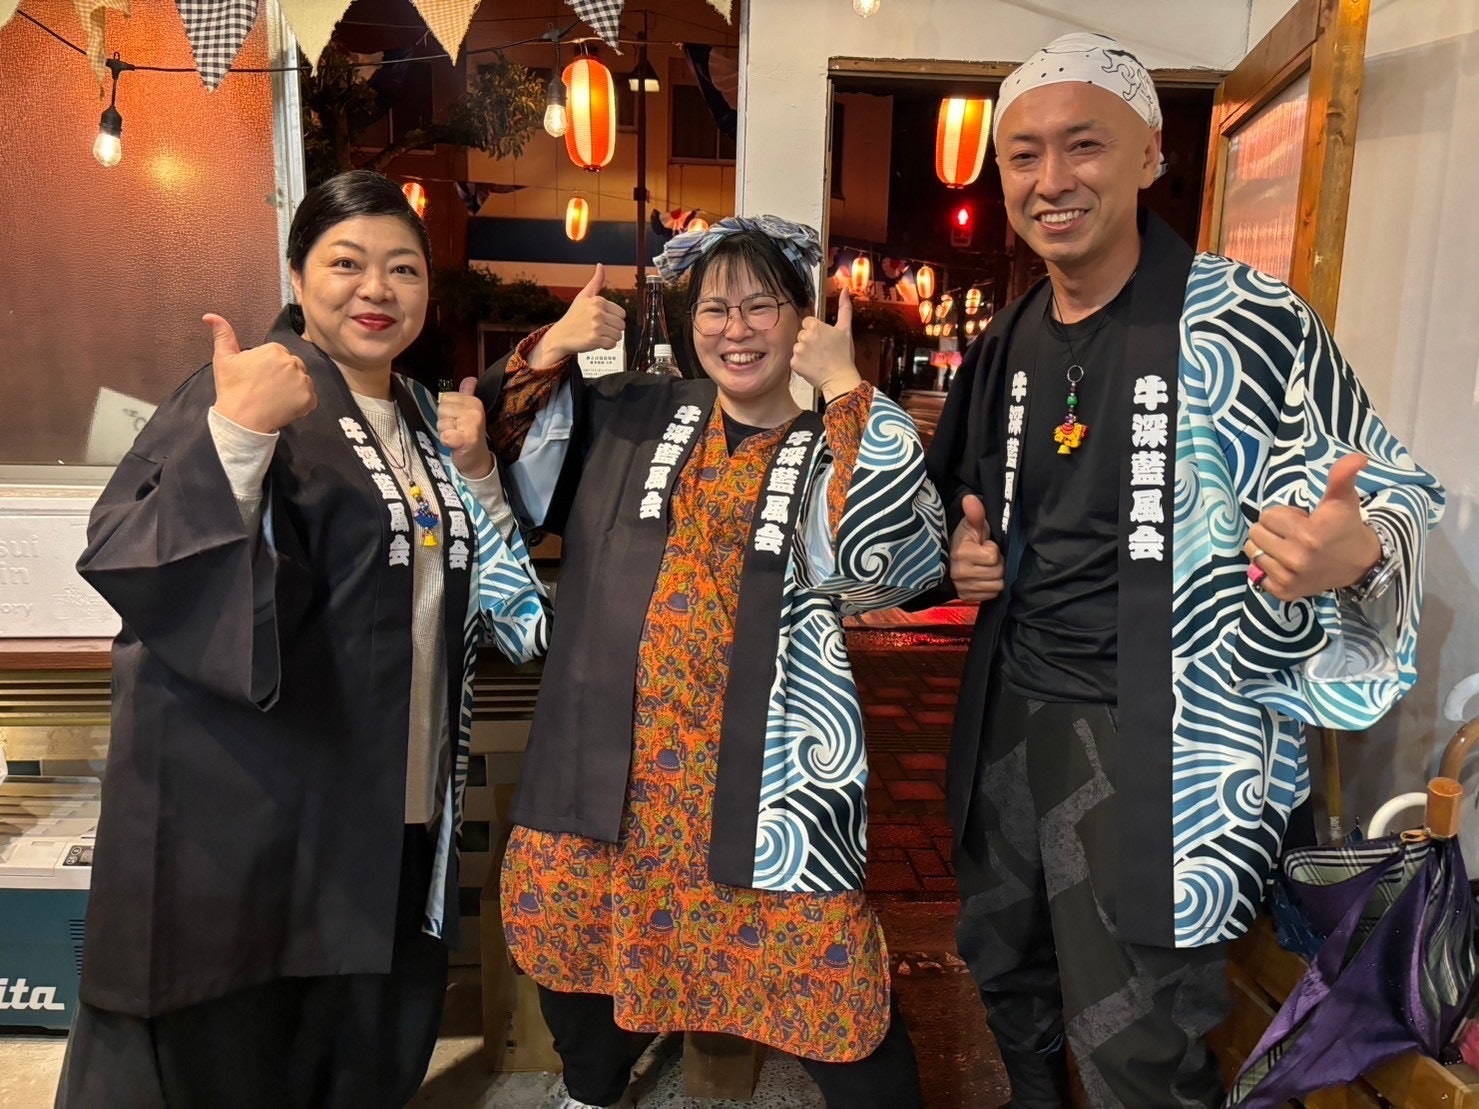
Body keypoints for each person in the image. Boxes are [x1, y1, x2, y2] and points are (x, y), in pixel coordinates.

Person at [926, 32, 1446, 1109]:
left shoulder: (1249, 321)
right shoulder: (1011, 335)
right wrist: (970, 555)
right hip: (1016, 705)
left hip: (1168, 731)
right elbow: (967, 508)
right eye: (1023, 155)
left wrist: (1351, 549)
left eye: (1084, 145)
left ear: (1149, 155)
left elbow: (1387, 484)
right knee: (1008, 971)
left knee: (1137, 1036)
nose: (1052, 179)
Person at [55, 170, 548, 1109]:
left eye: (403, 268)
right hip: (263, 823)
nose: (377, 289)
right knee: (249, 1053)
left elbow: (506, 613)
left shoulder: (420, 416)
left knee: (355, 1049)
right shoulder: (246, 387)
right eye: (346, 263)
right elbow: (135, 553)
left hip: (394, 807)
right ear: (296, 274)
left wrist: (481, 469)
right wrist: (238, 435)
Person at [481, 216, 947, 1109]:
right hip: (613, 767)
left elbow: (885, 561)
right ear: (687, 321)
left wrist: (844, 383)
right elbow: (498, 456)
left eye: (761, 306)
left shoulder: (830, 441)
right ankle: (590, 1092)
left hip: (767, 780)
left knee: (831, 986)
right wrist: (552, 348)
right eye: (714, 308)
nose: (736, 329)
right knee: (580, 947)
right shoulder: (630, 418)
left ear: (800, 319)